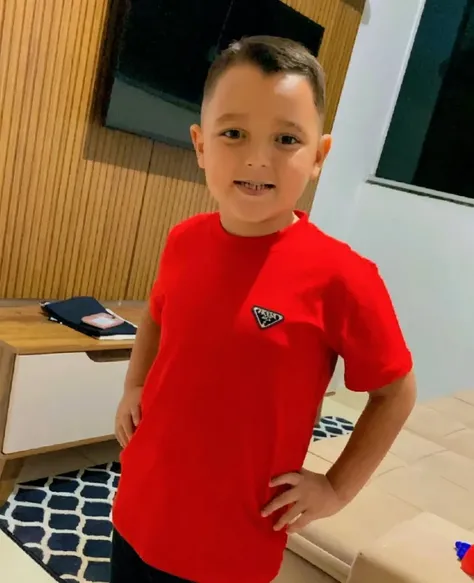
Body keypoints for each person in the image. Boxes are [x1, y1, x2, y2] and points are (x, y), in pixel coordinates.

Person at [111, 36, 416, 583]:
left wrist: (336, 487)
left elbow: (395, 392)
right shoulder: (184, 240)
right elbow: (156, 313)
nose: (257, 158)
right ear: (201, 145)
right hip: (138, 508)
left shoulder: (343, 277)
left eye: (286, 139)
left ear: (318, 156)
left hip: (233, 542)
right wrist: (134, 385)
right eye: (234, 133)